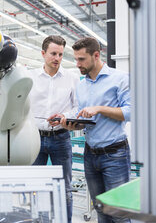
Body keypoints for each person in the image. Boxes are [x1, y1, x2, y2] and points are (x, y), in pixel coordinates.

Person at [56, 37, 131, 223]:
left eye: (82, 59)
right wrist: (70, 123)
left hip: (115, 155)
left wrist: (99, 108)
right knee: (101, 212)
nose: (77, 64)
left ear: (96, 55)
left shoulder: (119, 79)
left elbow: (130, 112)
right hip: (91, 155)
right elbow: (84, 119)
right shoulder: (82, 85)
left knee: (119, 214)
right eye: (76, 59)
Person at [28, 35, 80, 223]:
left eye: (60, 54)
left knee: (65, 187)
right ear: (43, 54)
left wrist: (65, 117)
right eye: (53, 53)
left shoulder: (72, 78)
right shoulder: (30, 77)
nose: (57, 58)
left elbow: (78, 107)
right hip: (34, 139)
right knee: (35, 185)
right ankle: (38, 220)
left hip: (61, 137)